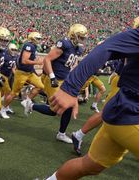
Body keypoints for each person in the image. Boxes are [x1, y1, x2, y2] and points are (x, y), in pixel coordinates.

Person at [47, 28, 139, 180]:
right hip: (130, 111)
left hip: (121, 109)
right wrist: (70, 88)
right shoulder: (64, 44)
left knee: (89, 166)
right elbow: (106, 47)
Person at [24, 24, 87, 143]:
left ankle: (61, 134)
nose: (82, 40)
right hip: (54, 78)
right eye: (80, 37)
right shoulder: (65, 44)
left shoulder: (78, 48)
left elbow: (72, 64)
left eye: (84, 37)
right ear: (73, 35)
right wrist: (52, 77)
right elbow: (47, 59)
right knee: (55, 110)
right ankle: (31, 105)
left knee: (68, 106)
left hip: (64, 79)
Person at [0, 32, 44, 119]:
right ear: (33, 38)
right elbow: (24, 61)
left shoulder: (33, 46)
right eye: (38, 38)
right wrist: (37, 62)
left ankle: (27, 101)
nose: (39, 40)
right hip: (22, 73)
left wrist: (35, 61)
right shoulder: (29, 46)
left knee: (40, 86)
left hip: (29, 73)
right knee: (14, 93)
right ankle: (3, 108)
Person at [0, 43, 18, 114]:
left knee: (3, 92)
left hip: (8, 75)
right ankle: (3, 109)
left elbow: (13, 68)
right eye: (13, 49)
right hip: (2, 75)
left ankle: (5, 107)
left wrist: (16, 75)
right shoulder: (5, 56)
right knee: (8, 91)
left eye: (15, 50)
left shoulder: (15, 56)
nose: (14, 51)